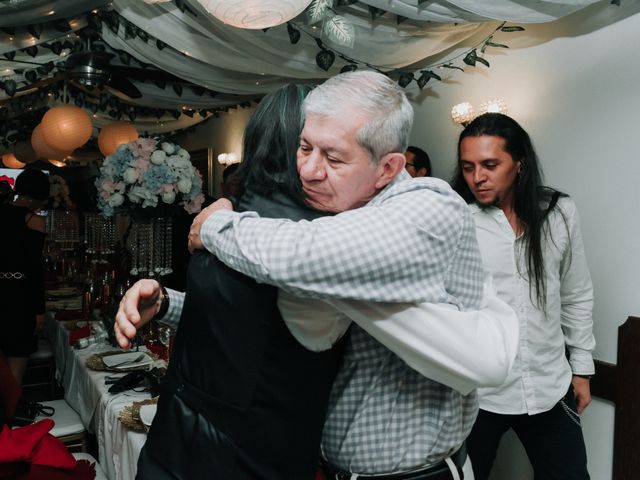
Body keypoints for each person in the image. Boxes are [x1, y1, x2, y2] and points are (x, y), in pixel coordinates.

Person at [177, 71, 519, 478]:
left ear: (387, 168)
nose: (307, 170)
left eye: (333, 157)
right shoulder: (343, 208)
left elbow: (300, 258)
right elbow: (276, 318)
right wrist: (170, 303)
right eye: (304, 147)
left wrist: (216, 225)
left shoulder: (427, 207)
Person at [451, 113, 595, 480]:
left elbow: (575, 293)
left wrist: (581, 369)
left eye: (490, 164)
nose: (477, 178)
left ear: (519, 163)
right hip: (477, 393)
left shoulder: (559, 212)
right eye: (468, 167)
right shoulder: (457, 219)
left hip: (549, 385)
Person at [0, 169, 49, 385]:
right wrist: (39, 310)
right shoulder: (33, 220)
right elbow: (35, 269)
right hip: (19, 296)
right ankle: (9, 413)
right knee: (16, 359)